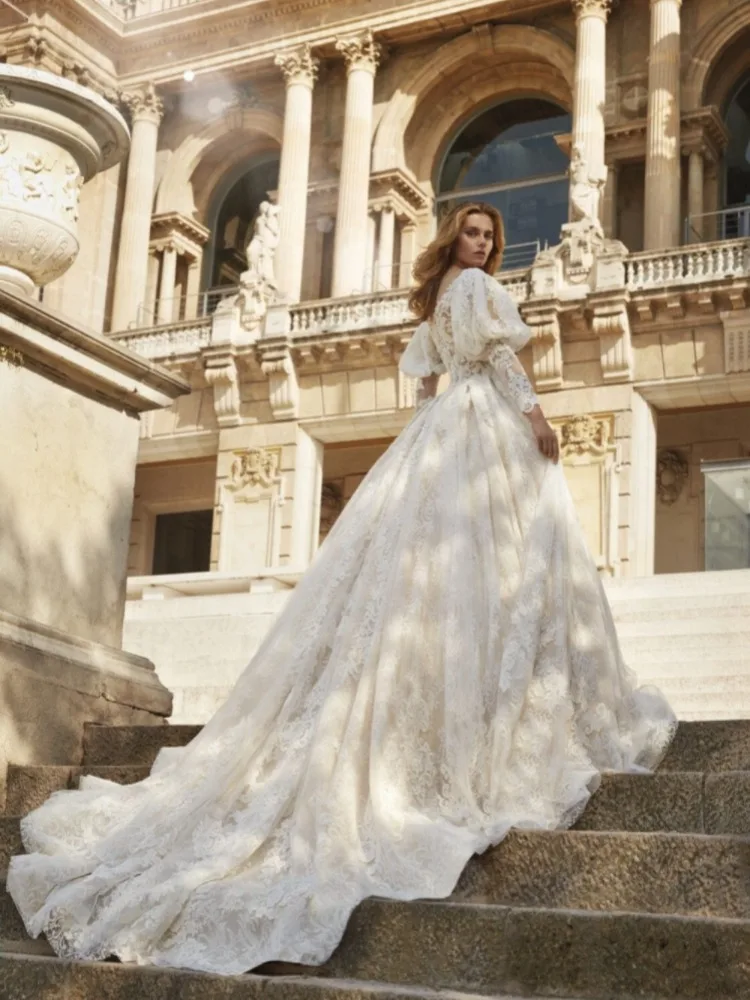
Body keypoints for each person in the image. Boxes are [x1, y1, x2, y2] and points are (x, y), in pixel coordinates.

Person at [8, 202, 676, 976]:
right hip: (481, 424)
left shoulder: (435, 304)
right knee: (502, 560)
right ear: (453, 240)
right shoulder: (477, 293)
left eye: (489, 236)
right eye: (473, 233)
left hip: (441, 435)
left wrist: (422, 448)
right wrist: (536, 417)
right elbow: (501, 365)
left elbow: (425, 386)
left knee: (433, 571)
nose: (484, 244)